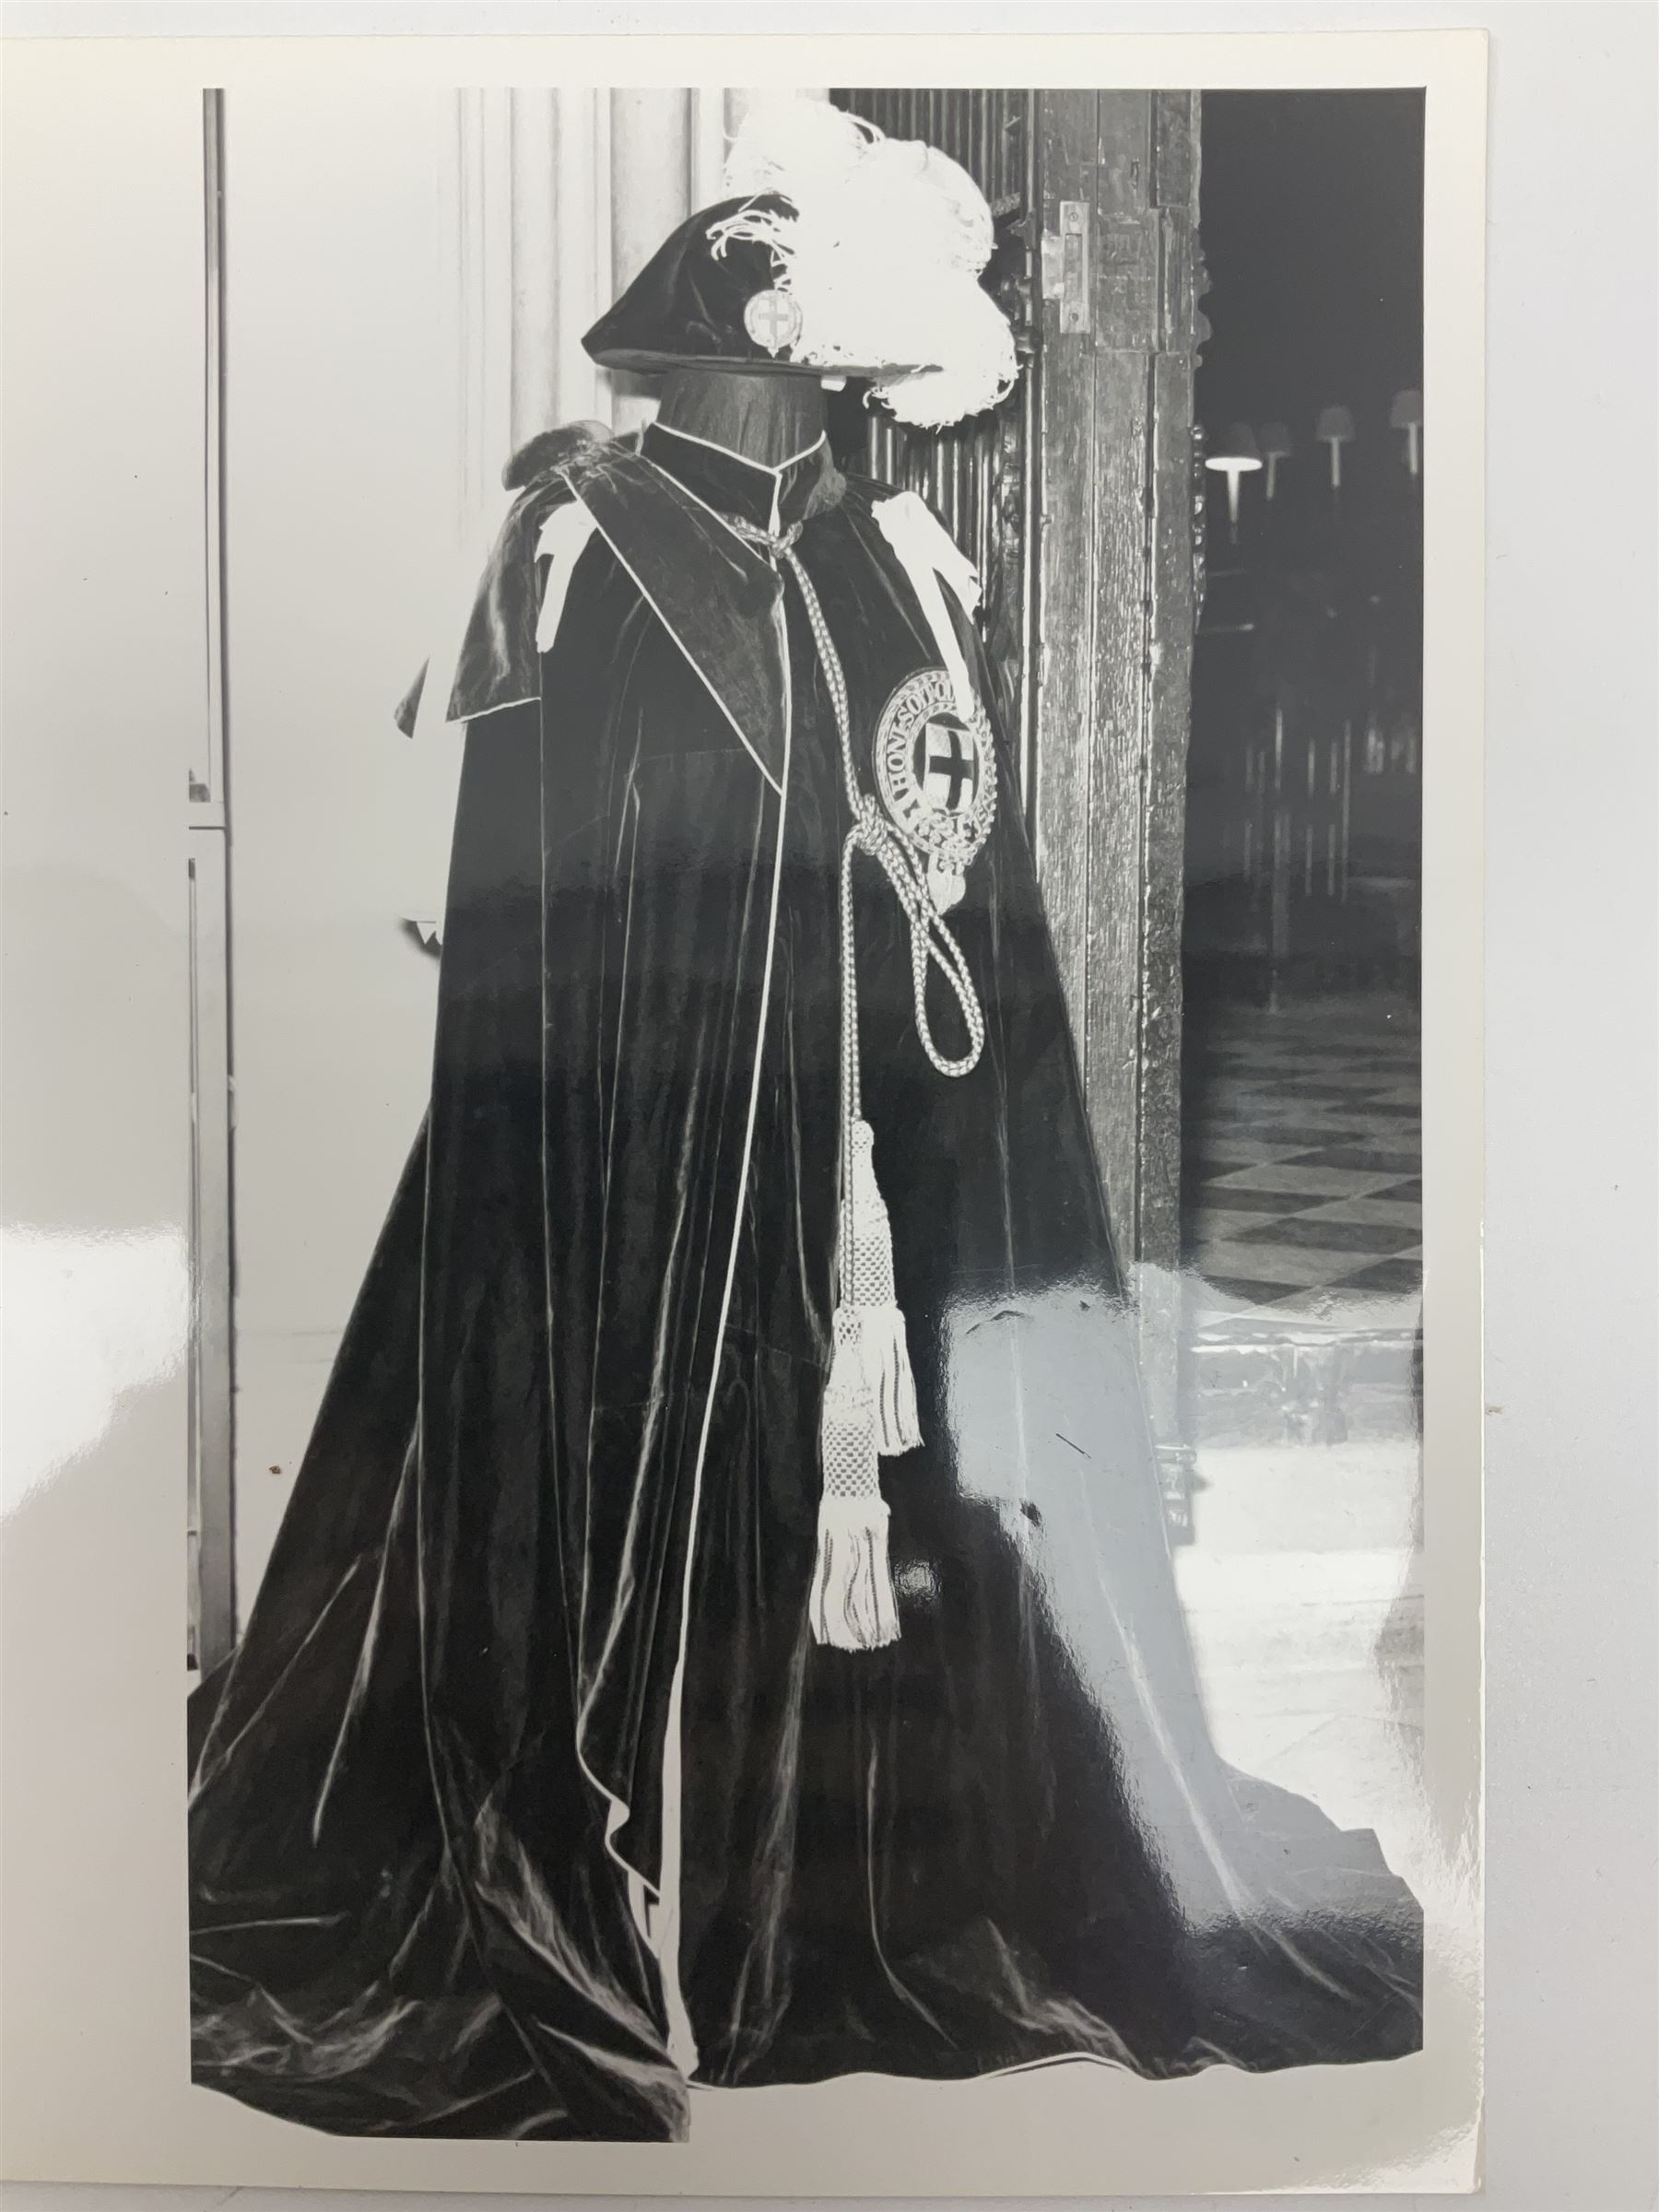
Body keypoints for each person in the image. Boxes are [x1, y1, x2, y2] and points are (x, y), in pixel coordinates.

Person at [188, 100, 1422, 2144]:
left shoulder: (889, 560)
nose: (809, 415)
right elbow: (535, 930)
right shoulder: (587, 543)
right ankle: (638, 1877)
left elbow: (961, 908)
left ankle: (895, 1867)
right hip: (651, 1170)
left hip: (885, 1163)